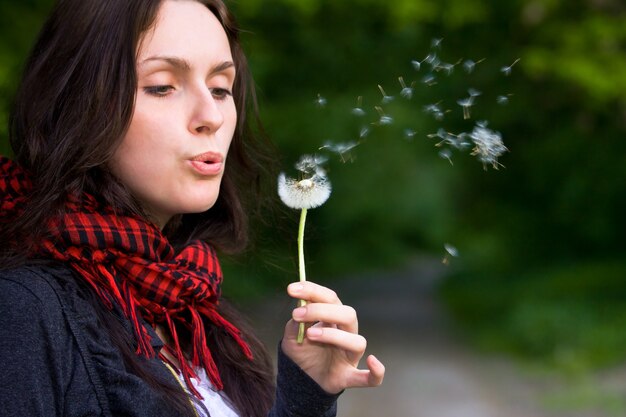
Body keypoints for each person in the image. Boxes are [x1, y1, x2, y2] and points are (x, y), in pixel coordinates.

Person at [0, 0, 385, 416]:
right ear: (77, 104)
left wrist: (304, 397)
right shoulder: (23, 310)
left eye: (221, 88)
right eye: (163, 85)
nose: (211, 116)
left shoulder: (193, 309)